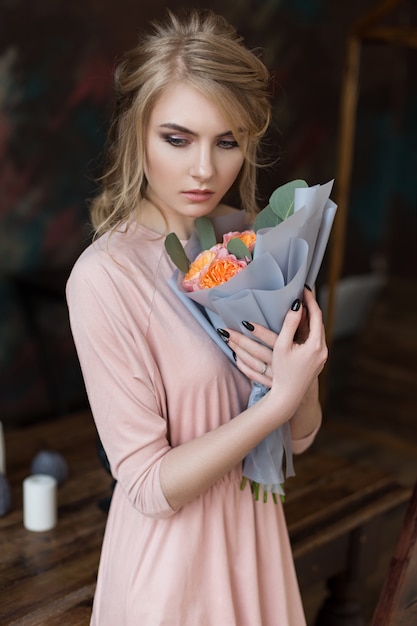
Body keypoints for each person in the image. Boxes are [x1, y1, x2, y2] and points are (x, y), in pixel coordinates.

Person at [66, 8, 327, 625]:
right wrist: (275, 402)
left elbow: (300, 437)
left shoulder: (257, 243)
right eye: (178, 139)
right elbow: (149, 488)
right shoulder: (105, 279)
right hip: (172, 576)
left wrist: (302, 377)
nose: (205, 169)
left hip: (258, 547)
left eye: (227, 141)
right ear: (138, 134)